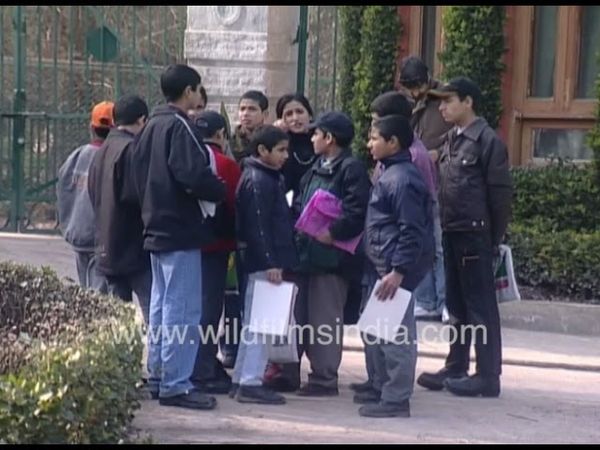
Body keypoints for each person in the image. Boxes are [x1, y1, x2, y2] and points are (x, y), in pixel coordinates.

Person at [131, 64, 226, 410]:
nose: (200, 97)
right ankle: (175, 384)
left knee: (161, 307)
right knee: (182, 309)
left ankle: (159, 375)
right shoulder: (179, 126)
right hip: (180, 230)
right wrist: (218, 190)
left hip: (155, 226)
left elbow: (135, 177)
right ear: (189, 91)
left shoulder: (150, 127)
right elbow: (192, 175)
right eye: (198, 90)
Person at [416, 77, 513, 398]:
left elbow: (500, 197)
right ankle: (456, 365)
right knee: (455, 304)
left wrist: (492, 238)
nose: (442, 108)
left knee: (480, 307)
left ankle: (487, 375)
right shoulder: (450, 140)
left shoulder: (487, 141)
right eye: (440, 102)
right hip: (452, 230)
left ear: (468, 102)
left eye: (448, 101)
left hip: (475, 234)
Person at [350, 91, 439, 396]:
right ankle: (379, 385)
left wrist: (398, 271)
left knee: (396, 335)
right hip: (380, 265)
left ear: (394, 143)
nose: (369, 144)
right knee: (375, 329)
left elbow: (412, 230)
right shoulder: (390, 172)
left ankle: (396, 397)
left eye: (374, 138)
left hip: (392, 269)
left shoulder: (403, 178)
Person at [293, 111, 371, 397]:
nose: (312, 137)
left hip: (332, 258)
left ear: (330, 138)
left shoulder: (351, 169)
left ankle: (324, 379)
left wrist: (333, 232)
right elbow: (300, 200)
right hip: (307, 253)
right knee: (301, 317)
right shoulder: (315, 166)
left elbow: (357, 211)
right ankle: (292, 371)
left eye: (316, 133)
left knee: (325, 319)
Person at [231, 125, 298, 404]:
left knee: (254, 323)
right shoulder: (259, 180)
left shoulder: (265, 177)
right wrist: (271, 261)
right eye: (281, 150)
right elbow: (259, 226)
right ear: (262, 151)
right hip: (264, 263)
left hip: (261, 261)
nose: (286, 156)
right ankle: (250, 381)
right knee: (261, 323)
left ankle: (242, 378)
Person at [188, 109, 241, 394]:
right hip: (217, 247)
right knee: (209, 311)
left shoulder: (186, 160)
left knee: (186, 309)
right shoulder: (227, 165)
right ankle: (203, 368)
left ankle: (191, 365)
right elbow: (234, 204)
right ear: (221, 135)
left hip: (185, 245)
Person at [87, 94, 151, 326]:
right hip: (133, 248)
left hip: (108, 246)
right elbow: (140, 198)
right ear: (142, 120)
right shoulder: (131, 150)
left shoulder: (102, 150)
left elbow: (93, 193)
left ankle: (123, 361)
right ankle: (157, 363)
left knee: (118, 321)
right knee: (153, 313)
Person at [399, 56, 453, 321]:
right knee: (421, 244)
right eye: (412, 87)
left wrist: (438, 153)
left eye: (419, 85)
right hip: (416, 180)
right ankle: (426, 300)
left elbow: (458, 138)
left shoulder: (443, 99)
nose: (417, 91)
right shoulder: (409, 104)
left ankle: (446, 302)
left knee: (441, 246)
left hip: (440, 181)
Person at [56, 101, 113, 293]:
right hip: (100, 237)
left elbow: (63, 189)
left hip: (78, 233)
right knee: (100, 294)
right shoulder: (112, 157)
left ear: (91, 127)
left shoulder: (77, 156)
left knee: (84, 291)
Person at [229, 90, 269, 164]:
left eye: (252, 109)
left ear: (265, 114)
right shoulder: (230, 141)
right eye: (242, 109)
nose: (245, 114)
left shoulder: (271, 141)